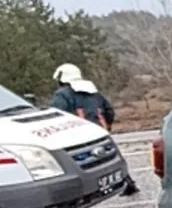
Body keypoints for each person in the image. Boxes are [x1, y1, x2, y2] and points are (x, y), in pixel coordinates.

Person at [51, 64, 140, 196]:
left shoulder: (62, 95)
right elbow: (109, 111)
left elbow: (58, 115)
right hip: (99, 131)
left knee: (81, 164)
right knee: (110, 158)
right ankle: (128, 183)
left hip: (76, 135)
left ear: (61, 78)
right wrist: (107, 126)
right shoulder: (93, 91)